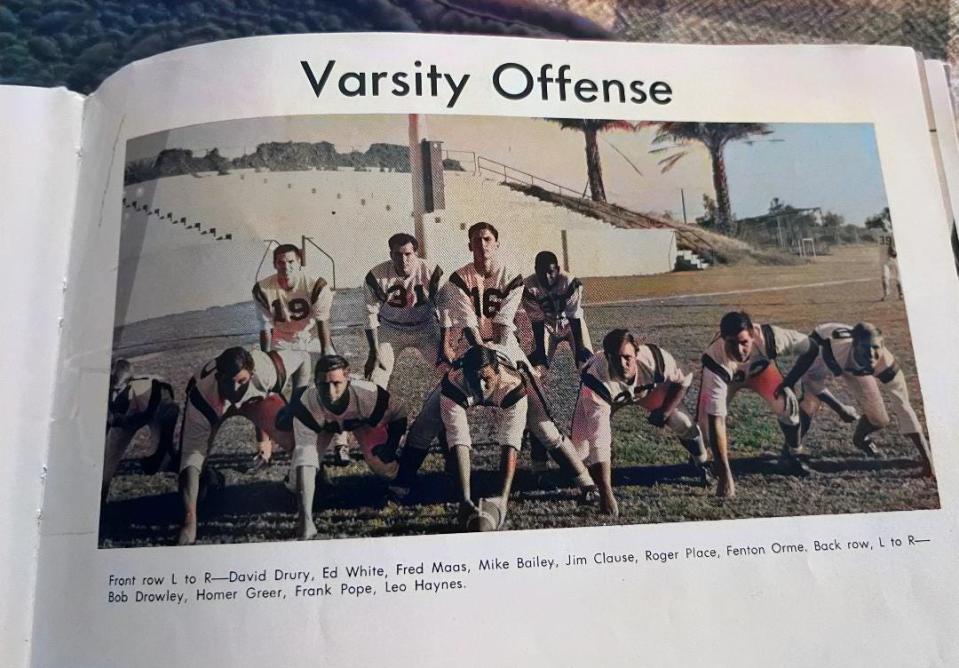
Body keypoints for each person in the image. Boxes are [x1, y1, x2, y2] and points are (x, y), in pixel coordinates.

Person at [389, 344, 598, 524]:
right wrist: (465, 500)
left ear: (497, 373)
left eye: (486, 378)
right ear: (464, 373)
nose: (480, 385)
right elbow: (459, 441)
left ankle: (586, 483)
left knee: (546, 430)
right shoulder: (455, 381)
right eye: (474, 378)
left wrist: (502, 499)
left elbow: (510, 444)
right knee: (423, 427)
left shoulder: (513, 385)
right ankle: (402, 483)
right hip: (475, 372)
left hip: (517, 367)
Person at [176, 346, 310, 545]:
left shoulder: (268, 369)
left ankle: (313, 484)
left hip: (255, 400)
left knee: (297, 441)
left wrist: (297, 402)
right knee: (197, 462)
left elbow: (303, 358)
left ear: (252, 374)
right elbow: (190, 459)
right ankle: (210, 479)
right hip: (215, 405)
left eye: (241, 381)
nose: (235, 389)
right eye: (229, 382)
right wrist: (189, 523)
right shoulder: (201, 394)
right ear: (218, 377)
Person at [572, 329, 709, 517]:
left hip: (645, 393)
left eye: (627, 357)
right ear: (606, 357)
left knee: (682, 421)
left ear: (636, 354)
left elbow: (685, 377)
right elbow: (600, 439)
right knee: (580, 449)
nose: (622, 364)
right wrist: (607, 494)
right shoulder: (595, 379)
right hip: (607, 397)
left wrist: (665, 410)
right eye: (615, 358)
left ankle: (702, 464)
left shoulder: (655, 360)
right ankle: (592, 488)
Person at [780, 322, 934, 477]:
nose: (871, 354)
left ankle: (861, 439)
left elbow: (904, 408)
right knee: (809, 403)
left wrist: (928, 460)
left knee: (879, 419)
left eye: (876, 348)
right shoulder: (831, 349)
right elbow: (812, 381)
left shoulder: (887, 367)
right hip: (823, 347)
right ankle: (789, 454)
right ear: (853, 345)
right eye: (865, 348)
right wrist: (838, 407)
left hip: (855, 366)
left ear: (882, 345)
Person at [279, 355, 407, 540]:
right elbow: (305, 459)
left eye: (337, 383)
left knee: (385, 466)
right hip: (323, 427)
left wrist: (391, 445)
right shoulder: (307, 404)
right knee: (294, 483)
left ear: (347, 381)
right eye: (323, 385)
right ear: (315, 383)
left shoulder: (367, 394)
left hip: (362, 424)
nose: (330, 392)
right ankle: (316, 485)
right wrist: (305, 520)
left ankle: (402, 482)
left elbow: (398, 414)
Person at [698, 311, 817, 498]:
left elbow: (812, 348)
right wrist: (725, 475)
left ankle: (794, 453)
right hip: (728, 377)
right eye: (731, 343)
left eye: (744, 342)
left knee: (788, 406)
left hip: (760, 373)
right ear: (722, 338)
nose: (739, 350)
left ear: (753, 335)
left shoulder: (771, 338)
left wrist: (791, 380)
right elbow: (717, 420)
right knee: (705, 426)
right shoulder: (714, 359)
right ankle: (703, 463)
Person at [252, 242, 349, 465]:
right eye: (280, 262)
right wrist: (267, 362)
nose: (285, 267)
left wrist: (326, 355)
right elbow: (265, 329)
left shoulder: (315, 284)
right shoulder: (263, 288)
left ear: (299, 263)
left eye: (290, 262)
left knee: (336, 384)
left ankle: (341, 443)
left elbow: (323, 324)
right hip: (281, 340)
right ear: (274, 264)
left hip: (311, 337)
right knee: (260, 386)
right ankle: (263, 450)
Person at [363, 232, 444, 389]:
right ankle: (375, 411)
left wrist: (446, 344)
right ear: (391, 255)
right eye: (398, 254)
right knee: (377, 374)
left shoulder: (431, 271)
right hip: (391, 329)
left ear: (416, 254)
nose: (403, 259)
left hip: (425, 328)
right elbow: (369, 314)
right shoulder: (376, 275)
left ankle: (450, 405)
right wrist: (373, 352)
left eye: (408, 254)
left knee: (451, 369)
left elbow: (445, 310)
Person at [441, 222, 524, 363]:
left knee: (531, 378)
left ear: (497, 244)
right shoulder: (458, 278)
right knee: (451, 381)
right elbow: (468, 321)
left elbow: (504, 320)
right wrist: (482, 353)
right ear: (470, 246)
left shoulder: (512, 277)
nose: (482, 244)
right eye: (477, 240)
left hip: (505, 342)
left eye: (487, 239)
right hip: (470, 343)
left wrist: (497, 352)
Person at [102, 359, 178, 504]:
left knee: (160, 462)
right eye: (111, 389)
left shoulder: (152, 390)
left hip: (159, 411)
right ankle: (98, 501)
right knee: (107, 460)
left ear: (129, 382)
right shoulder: (106, 389)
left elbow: (151, 413)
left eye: (117, 389)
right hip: (128, 414)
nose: (114, 393)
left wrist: (122, 421)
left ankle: (202, 475)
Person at [521, 250, 592, 370]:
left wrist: (580, 349)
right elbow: (537, 322)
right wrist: (540, 353)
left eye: (550, 272)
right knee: (538, 369)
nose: (547, 277)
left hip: (570, 324)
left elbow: (574, 317)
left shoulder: (569, 282)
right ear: (535, 270)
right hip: (547, 325)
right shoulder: (529, 286)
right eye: (542, 273)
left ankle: (588, 387)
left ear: (558, 269)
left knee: (587, 366)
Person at [879, 233, 902, 300]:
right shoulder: (881, 234)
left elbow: (894, 253)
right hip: (884, 260)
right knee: (884, 277)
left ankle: (901, 294)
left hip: (895, 260)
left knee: (898, 278)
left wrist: (893, 250)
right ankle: (886, 294)